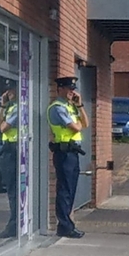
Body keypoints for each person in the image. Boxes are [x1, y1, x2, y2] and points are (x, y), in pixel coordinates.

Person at [47, 76, 89, 239]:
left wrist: (80, 105)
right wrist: (77, 123)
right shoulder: (57, 108)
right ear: (60, 89)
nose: (72, 92)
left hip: (72, 153)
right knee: (64, 190)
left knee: (70, 190)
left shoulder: (70, 107)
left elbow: (85, 123)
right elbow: (75, 127)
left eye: (73, 90)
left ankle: (67, 224)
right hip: (63, 153)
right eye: (69, 89)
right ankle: (64, 225)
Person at [0, 80, 19, 239]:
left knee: (14, 190)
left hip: (14, 149)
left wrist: (5, 107)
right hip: (9, 148)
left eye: (11, 90)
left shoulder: (18, 107)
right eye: (7, 90)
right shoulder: (10, 107)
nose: (9, 93)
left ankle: (14, 226)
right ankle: (15, 224)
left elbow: (3, 127)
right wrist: (3, 106)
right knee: (12, 189)